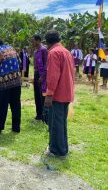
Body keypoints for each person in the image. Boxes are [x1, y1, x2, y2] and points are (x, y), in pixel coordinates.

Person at [44, 30, 75, 158]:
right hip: (67, 92)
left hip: (58, 94)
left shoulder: (53, 53)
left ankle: (57, 151)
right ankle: (63, 148)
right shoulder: (66, 51)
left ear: (47, 42)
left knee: (55, 123)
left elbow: (53, 76)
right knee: (61, 122)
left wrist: (49, 94)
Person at [31, 34, 48, 121]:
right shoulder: (35, 51)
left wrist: (43, 76)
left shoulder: (44, 50)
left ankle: (44, 115)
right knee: (36, 94)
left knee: (42, 95)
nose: (32, 43)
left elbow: (46, 64)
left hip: (42, 74)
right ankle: (39, 115)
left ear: (38, 40)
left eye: (33, 41)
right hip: (37, 73)